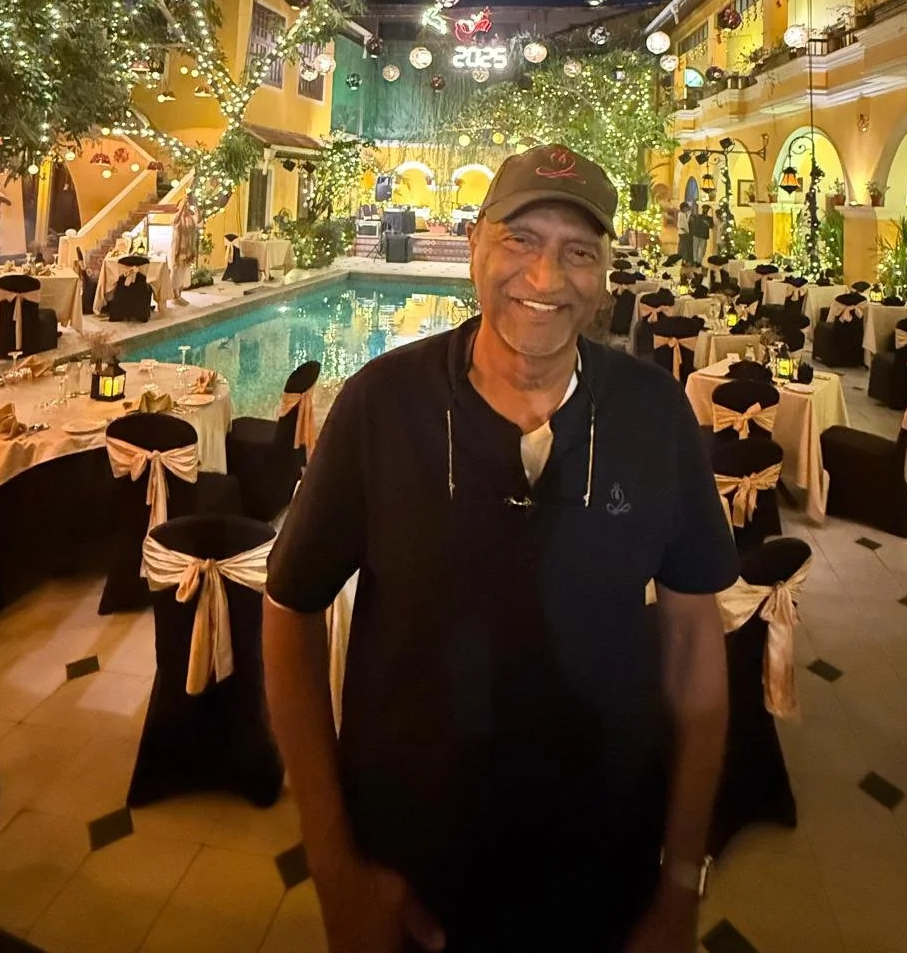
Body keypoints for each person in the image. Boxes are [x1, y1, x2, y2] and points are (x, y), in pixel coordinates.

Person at [263, 143, 738, 953]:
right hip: (412, 868)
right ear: (475, 244)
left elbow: (695, 641)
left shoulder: (655, 416)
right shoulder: (382, 405)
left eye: (577, 251)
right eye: (520, 240)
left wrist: (680, 880)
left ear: (606, 270)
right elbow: (289, 609)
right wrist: (335, 864)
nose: (546, 279)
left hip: (603, 871)